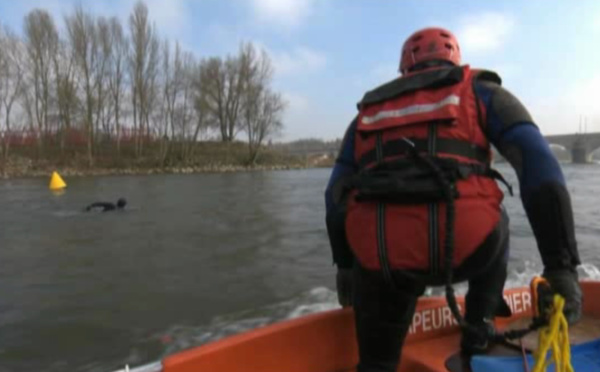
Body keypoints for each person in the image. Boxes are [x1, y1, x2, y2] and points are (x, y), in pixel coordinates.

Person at [325, 27, 582, 372]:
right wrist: (560, 268)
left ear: (404, 67)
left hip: (381, 261)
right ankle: (478, 326)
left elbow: (334, 197)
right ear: (454, 58)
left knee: (376, 361)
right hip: (467, 251)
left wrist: (345, 268)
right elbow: (541, 169)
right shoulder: (483, 91)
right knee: (498, 218)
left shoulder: (365, 115)